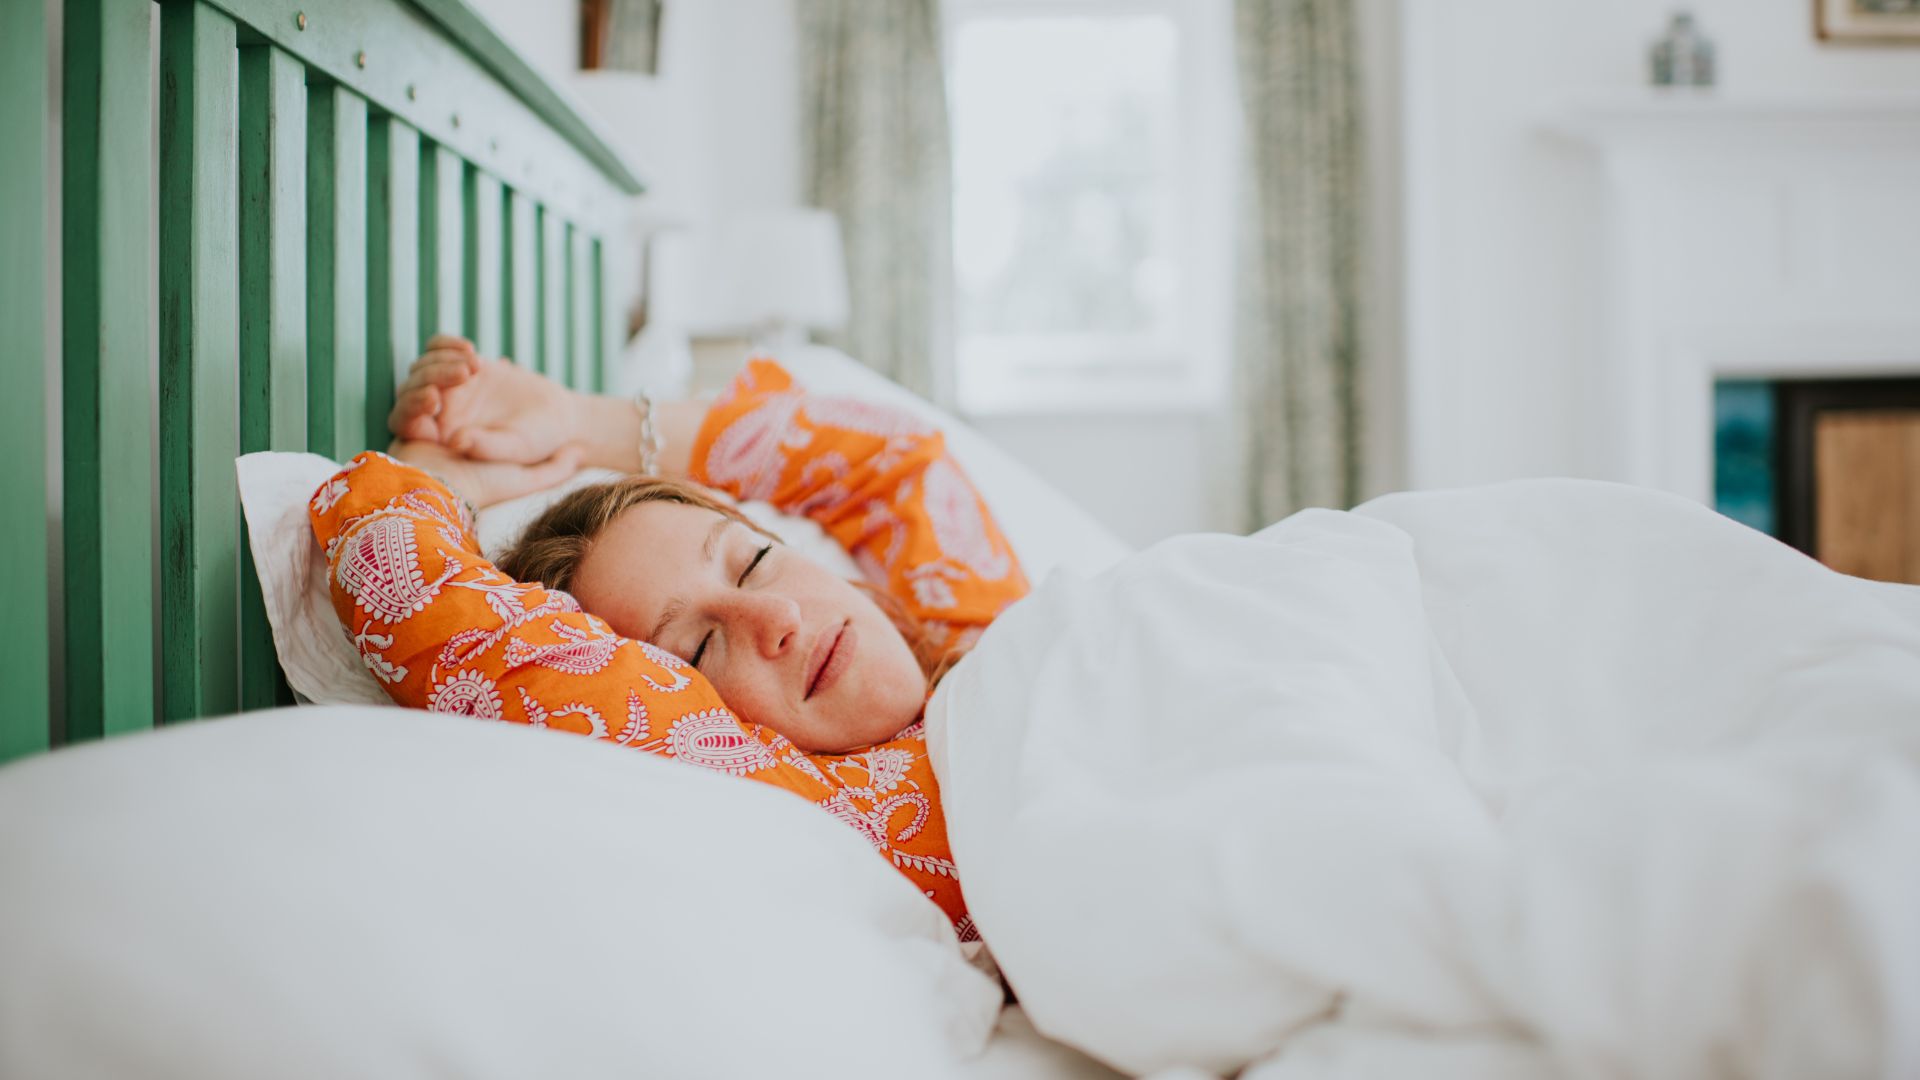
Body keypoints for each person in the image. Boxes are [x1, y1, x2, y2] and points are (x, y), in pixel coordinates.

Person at [309, 336, 1028, 934]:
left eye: (755, 564)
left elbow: (894, 460)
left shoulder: (987, 640)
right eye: (697, 648)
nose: (777, 621)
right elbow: (411, 593)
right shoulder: (800, 802)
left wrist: (578, 421)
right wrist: (433, 475)